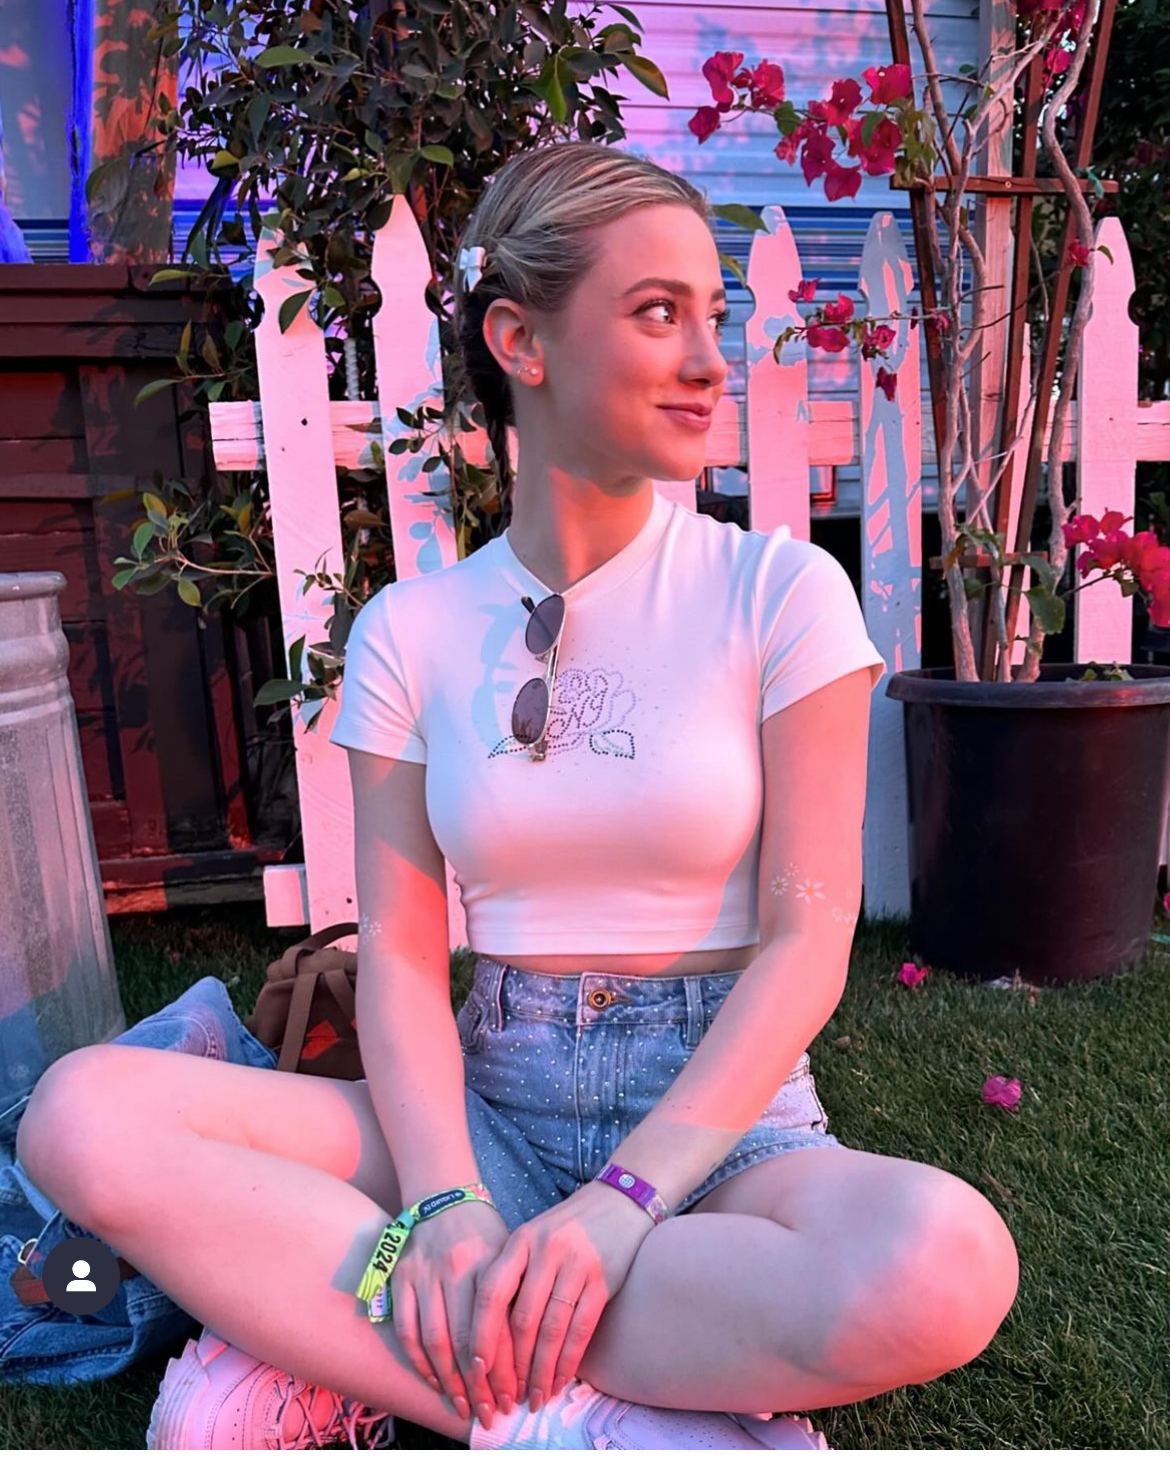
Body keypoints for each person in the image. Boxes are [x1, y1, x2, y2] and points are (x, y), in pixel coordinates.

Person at [14, 140, 1019, 1452]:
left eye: (713, 314)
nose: (709, 360)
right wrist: (444, 1202)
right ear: (520, 340)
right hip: (482, 1108)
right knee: (83, 1115)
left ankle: (359, 1339)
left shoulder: (779, 594)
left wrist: (620, 1205)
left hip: (722, 1137)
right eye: (656, 312)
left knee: (944, 1262)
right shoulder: (412, 632)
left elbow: (808, 942)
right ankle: (590, 1411)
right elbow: (400, 962)